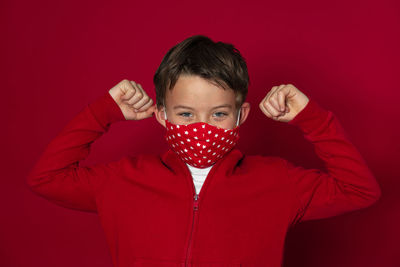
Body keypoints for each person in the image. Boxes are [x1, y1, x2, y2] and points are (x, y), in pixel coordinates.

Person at [27, 35, 381, 267]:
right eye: (185, 114)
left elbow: (359, 191)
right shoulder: (122, 179)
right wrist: (102, 113)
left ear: (241, 115)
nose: (202, 127)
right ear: (162, 115)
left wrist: (311, 119)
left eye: (218, 114)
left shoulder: (278, 181)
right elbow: (46, 179)